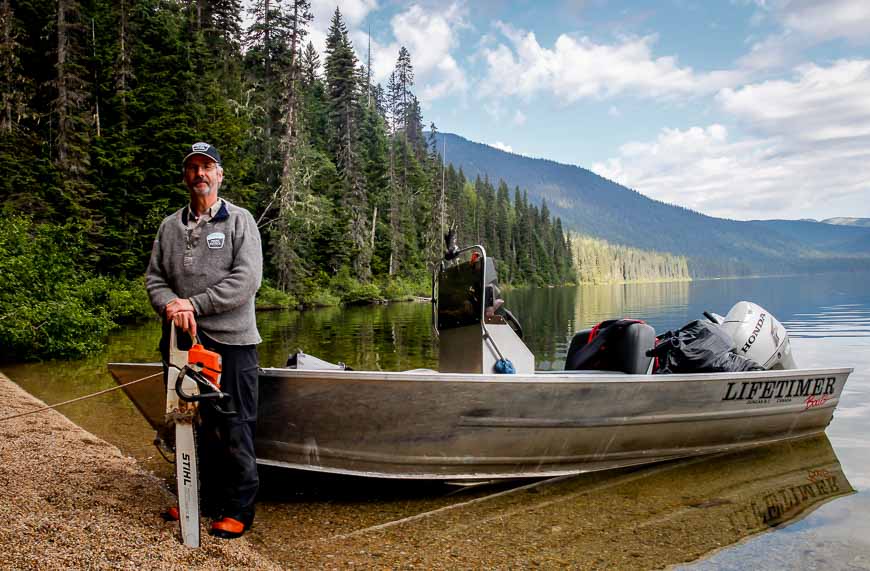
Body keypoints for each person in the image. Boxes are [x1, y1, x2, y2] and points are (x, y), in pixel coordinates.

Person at [145, 141, 263, 539]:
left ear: (219, 175)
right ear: (186, 177)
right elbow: (155, 279)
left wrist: (191, 304)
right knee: (188, 423)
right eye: (193, 167)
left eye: (207, 166)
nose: (200, 174)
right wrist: (172, 308)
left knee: (234, 426)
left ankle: (239, 510)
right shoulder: (169, 226)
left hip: (233, 343)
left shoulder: (240, 221)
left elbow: (246, 282)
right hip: (180, 342)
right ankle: (199, 499)